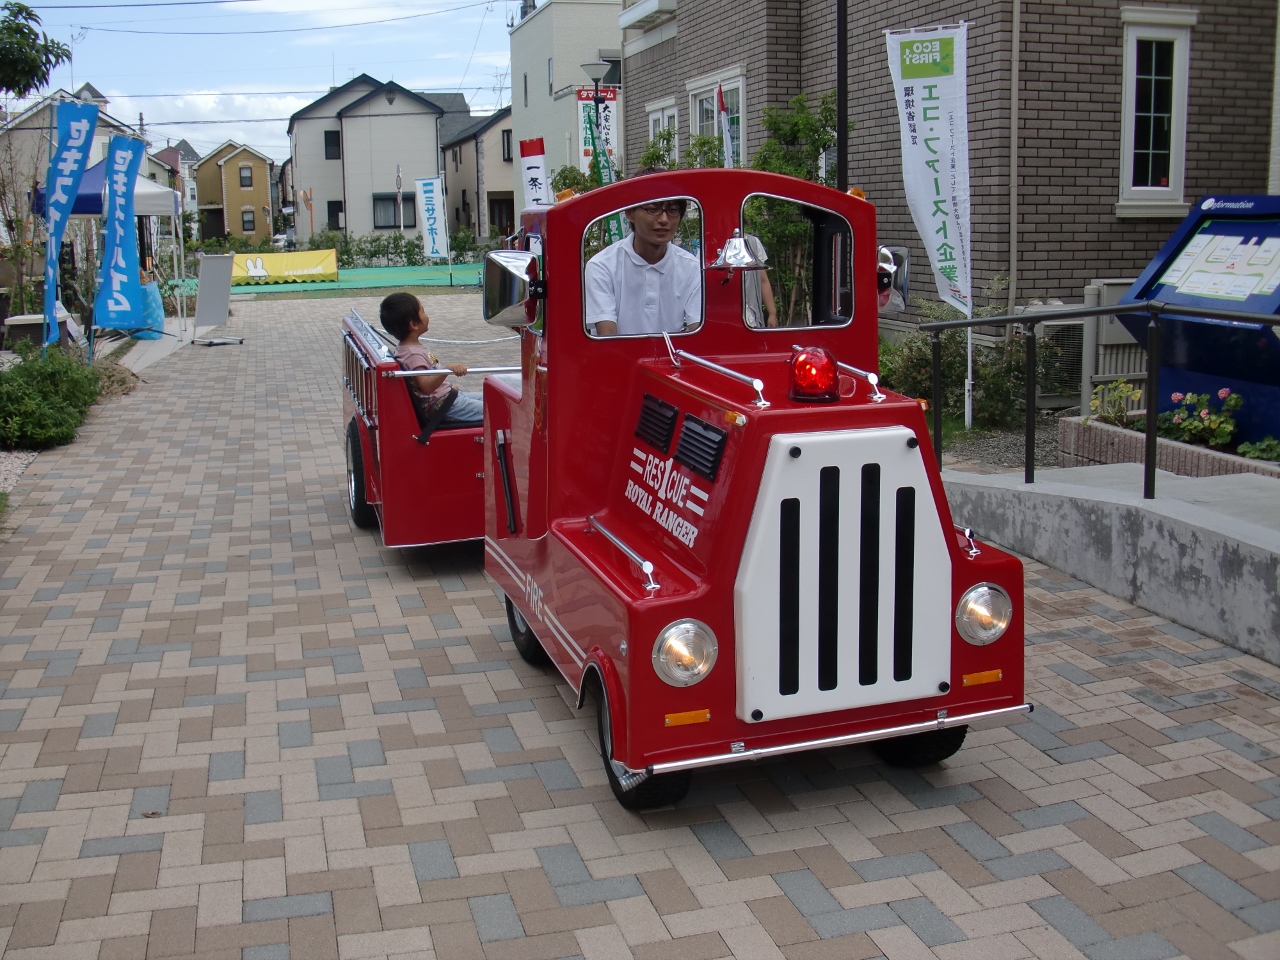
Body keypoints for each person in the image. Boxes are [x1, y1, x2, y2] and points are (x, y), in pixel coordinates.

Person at [585, 197, 701, 336]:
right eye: (653, 209)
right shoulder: (602, 266)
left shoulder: (693, 268)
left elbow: (699, 334)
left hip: (672, 357)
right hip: (617, 357)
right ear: (630, 213)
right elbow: (608, 339)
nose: (664, 219)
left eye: (672, 210)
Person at [379, 291, 483, 427]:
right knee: (497, 408)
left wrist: (447, 388)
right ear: (414, 324)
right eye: (423, 311)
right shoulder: (413, 355)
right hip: (444, 406)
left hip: (447, 398)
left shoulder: (409, 348)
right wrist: (448, 369)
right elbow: (426, 386)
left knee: (495, 399)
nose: (427, 315)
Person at [741, 234, 778, 328]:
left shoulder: (753, 242)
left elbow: (763, 281)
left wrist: (772, 313)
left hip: (750, 318)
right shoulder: (711, 241)